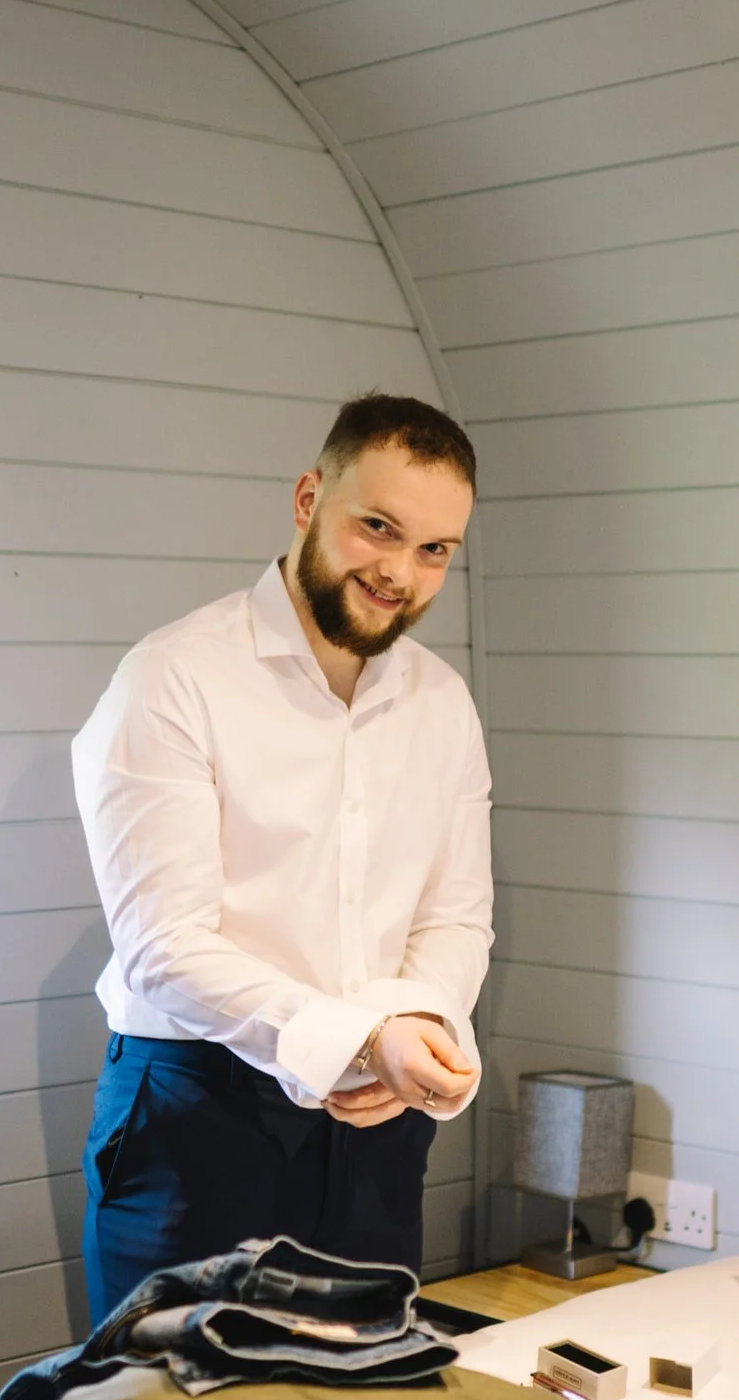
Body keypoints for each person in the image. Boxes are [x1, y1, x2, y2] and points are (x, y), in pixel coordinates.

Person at [71, 393, 493, 1318]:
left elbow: (457, 917)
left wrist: (413, 1025)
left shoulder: (444, 703)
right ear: (309, 500)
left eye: (434, 550)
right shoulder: (174, 678)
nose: (400, 572)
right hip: (196, 1117)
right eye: (378, 528)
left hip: (383, 1125)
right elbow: (164, 945)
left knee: (358, 1396)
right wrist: (359, 1040)